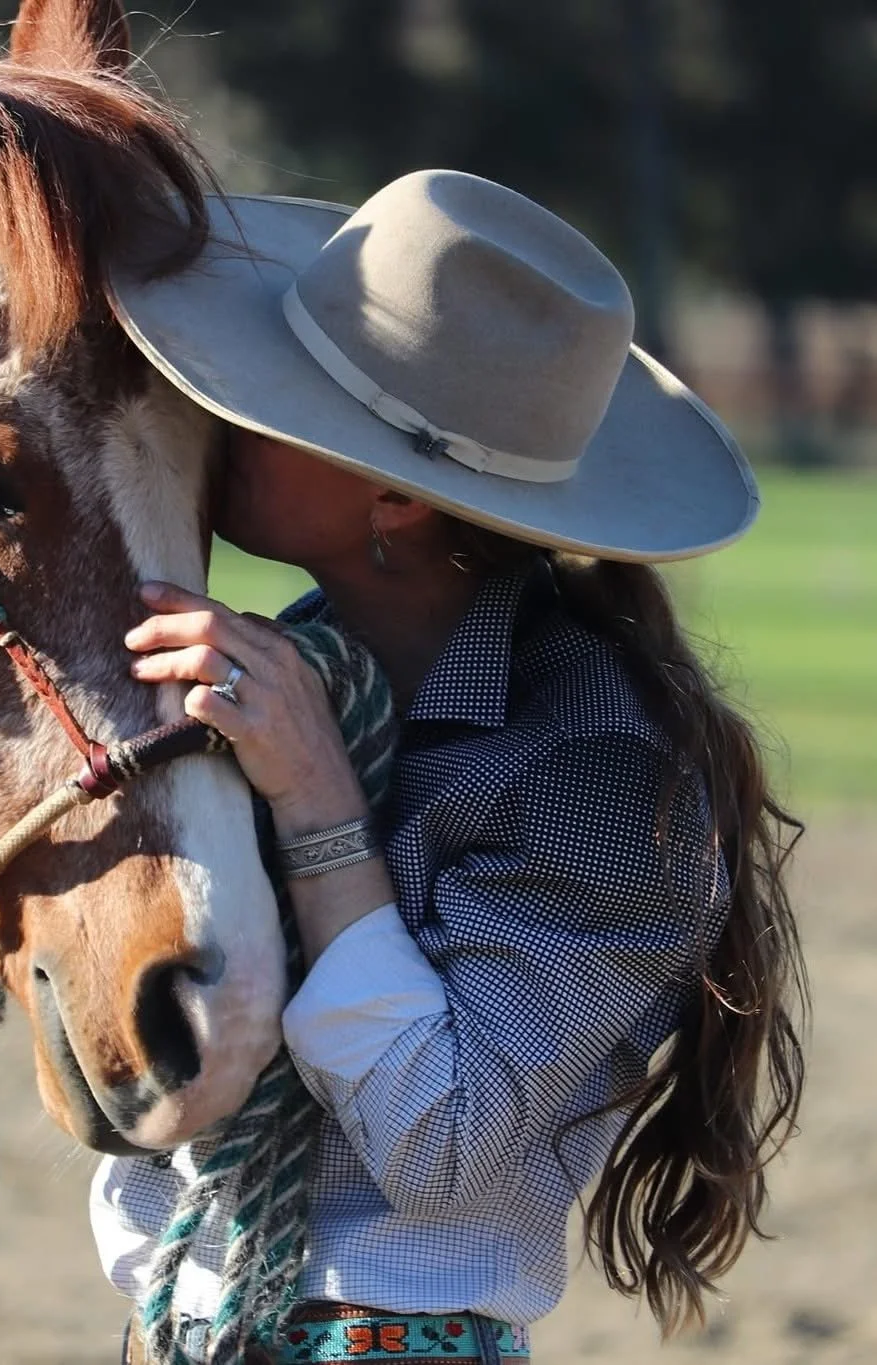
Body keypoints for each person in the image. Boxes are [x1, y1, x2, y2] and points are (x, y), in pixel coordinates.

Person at [93, 169, 805, 1365]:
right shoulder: (278, 671)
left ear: (391, 496)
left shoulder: (605, 774)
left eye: (275, 402)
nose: (215, 413)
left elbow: (441, 1141)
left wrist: (318, 800)